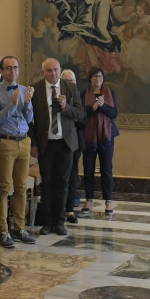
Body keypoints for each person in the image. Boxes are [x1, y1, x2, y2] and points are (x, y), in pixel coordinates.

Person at [30, 57, 84, 235]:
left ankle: (60, 222)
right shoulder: (36, 89)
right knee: (47, 184)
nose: (53, 74)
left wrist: (65, 107)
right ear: (43, 72)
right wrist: (34, 144)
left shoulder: (71, 87)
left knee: (63, 183)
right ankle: (47, 222)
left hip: (65, 143)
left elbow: (79, 113)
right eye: (49, 71)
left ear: (60, 70)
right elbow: (31, 120)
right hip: (46, 143)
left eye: (55, 70)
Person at [0, 56, 35, 248]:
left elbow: (29, 118)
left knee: (21, 187)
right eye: (8, 68)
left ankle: (20, 228)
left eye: (15, 67)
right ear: (2, 71)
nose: (12, 71)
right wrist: (13, 105)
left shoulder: (24, 89)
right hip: (5, 142)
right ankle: (3, 230)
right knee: (5, 188)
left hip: (24, 141)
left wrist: (27, 103)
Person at [81, 66, 119, 216]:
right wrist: (93, 108)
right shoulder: (84, 94)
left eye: (100, 77)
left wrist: (102, 107)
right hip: (89, 136)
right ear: (90, 79)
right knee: (88, 169)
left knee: (106, 169)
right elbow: (81, 114)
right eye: (95, 77)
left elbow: (114, 113)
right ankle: (88, 199)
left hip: (106, 136)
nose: (98, 80)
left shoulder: (110, 93)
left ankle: (108, 201)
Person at [61, 68, 82, 224]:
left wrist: (67, 111)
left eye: (72, 81)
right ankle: (58, 211)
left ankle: (69, 210)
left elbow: (82, 118)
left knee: (72, 177)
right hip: (57, 142)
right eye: (66, 81)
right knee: (59, 178)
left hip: (74, 143)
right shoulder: (56, 97)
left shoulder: (78, 96)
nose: (69, 83)